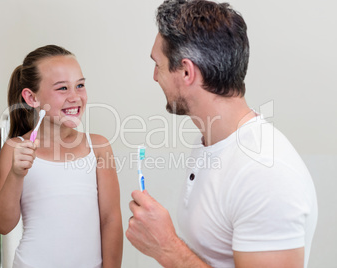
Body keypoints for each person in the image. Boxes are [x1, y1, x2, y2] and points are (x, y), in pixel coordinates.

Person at [126, 1, 318, 268]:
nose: (155, 77)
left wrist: (167, 248)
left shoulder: (264, 172)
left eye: (157, 64)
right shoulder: (210, 144)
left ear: (186, 71)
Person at [0, 45, 123, 268]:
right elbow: (2, 225)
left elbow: (111, 220)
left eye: (80, 85)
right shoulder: (15, 148)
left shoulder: (98, 147)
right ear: (31, 98)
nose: (75, 97)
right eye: (62, 88)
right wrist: (16, 175)